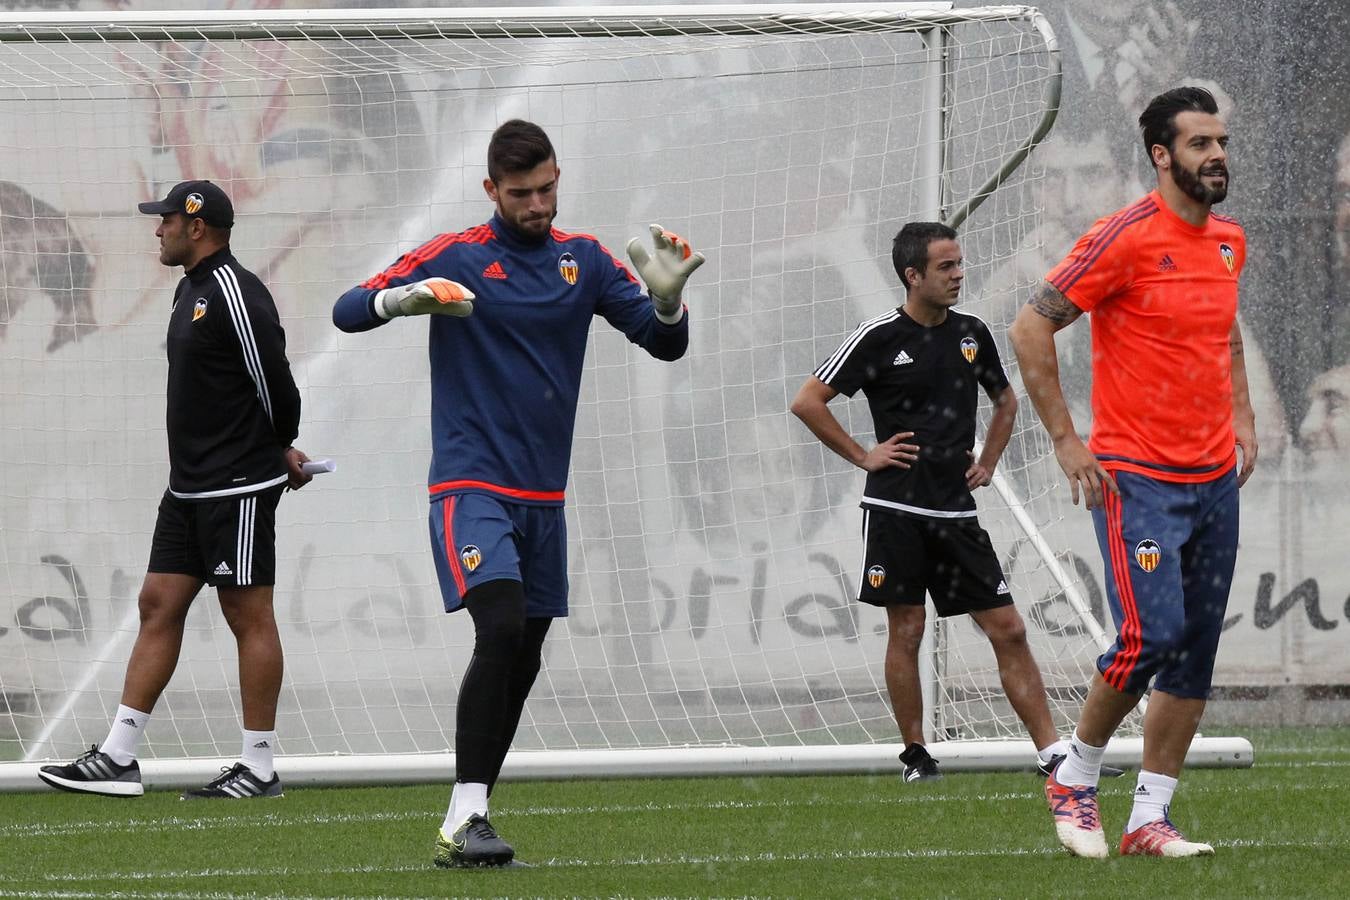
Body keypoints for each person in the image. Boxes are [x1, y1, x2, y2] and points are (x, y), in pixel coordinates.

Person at [332, 119, 704, 868]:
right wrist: (401, 302)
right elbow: (348, 308)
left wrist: (667, 303)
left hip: (545, 499)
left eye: (547, 188)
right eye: (521, 193)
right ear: (491, 191)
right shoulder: (459, 254)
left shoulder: (586, 260)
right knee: (499, 629)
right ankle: (461, 814)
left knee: (525, 653)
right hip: (471, 485)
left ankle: (475, 814)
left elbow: (665, 344)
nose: (538, 204)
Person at [1009, 86, 1256, 859]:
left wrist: (1243, 419)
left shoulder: (1228, 240)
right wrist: (1064, 438)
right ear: (1161, 155)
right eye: (1198, 144)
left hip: (1214, 479)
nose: (1215, 154)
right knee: (1150, 633)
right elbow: (1029, 326)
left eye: (1219, 141)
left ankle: (1150, 819)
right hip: (1136, 478)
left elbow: (1228, 334)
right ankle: (1074, 774)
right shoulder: (1122, 236)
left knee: (1196, 651)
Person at [38, 180, 313, 800]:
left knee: (248, 615)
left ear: (197, 226)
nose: (156, 230)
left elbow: (275, 382)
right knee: (157, 604)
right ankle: (118, 756)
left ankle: (259, 767)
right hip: (188, 487)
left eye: (165, 220)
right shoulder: (189, 290)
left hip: (237, 486)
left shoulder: (236, 294)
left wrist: (279, 445)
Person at [790, 221, 1071, 785]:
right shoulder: (877, 337)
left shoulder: (972, 334)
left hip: (957, 514)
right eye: (946, 267)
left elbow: (1006, 402)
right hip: (896, 512)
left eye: (960, 264)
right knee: (909, 628)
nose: (959, 274)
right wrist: (864, 455)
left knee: (1009, 628)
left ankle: (1054, 755)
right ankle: (916, 755)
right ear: (912, 275)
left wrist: (987, 463)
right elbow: (807, 402)